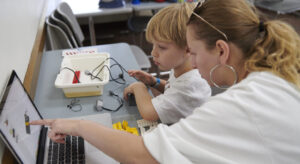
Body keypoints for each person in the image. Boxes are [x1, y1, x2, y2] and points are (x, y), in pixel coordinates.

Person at [30, 0, 300, 163]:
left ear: (222, 50)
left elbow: (142, 155)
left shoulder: (243, 105)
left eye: (193, 53)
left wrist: (78, 125)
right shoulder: (273, 78)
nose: (192, 64)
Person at [123, 2, 211, 124]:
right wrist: (154, 82)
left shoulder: (191, 85)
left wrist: (139, 87)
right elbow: (174, 90)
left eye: (162, 47)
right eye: (153, 45)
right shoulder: (182, 68)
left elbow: (149, 113)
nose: (153, 53)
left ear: (188, 49)